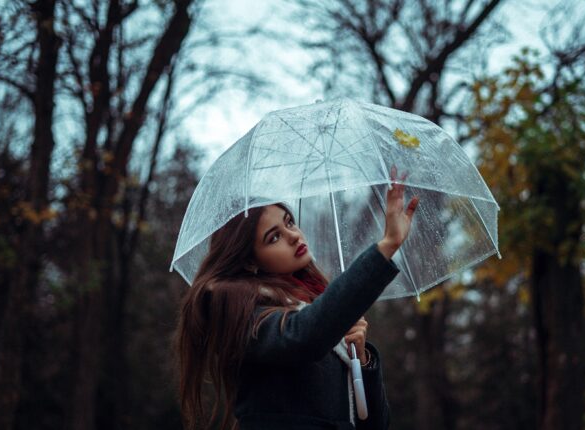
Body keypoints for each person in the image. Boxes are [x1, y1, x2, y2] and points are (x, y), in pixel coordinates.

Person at [175, 167, 419, 430]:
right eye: (274, 237)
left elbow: (376, 425)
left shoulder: (317, 308)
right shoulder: (241, 313)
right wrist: (387, 245)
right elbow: (304, 336)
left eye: (289, 222)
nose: (293, 235)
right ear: (249, 262)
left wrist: (361, 359)